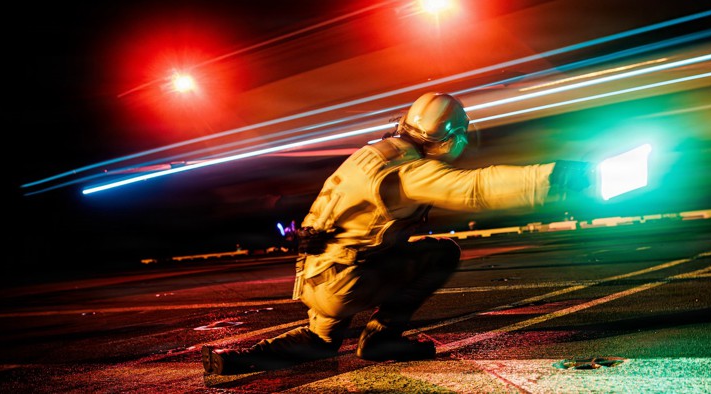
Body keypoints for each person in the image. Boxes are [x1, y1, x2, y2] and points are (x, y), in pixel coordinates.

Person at [202, 92, 594, 375]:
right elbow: (478, 188)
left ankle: (235, 360)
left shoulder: (371, 154)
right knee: (441, 253)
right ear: (450, 138)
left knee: (319, 341)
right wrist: (557, 177)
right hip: (348, 280)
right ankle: (381, 339)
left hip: (317, 276)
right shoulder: (411, 173)